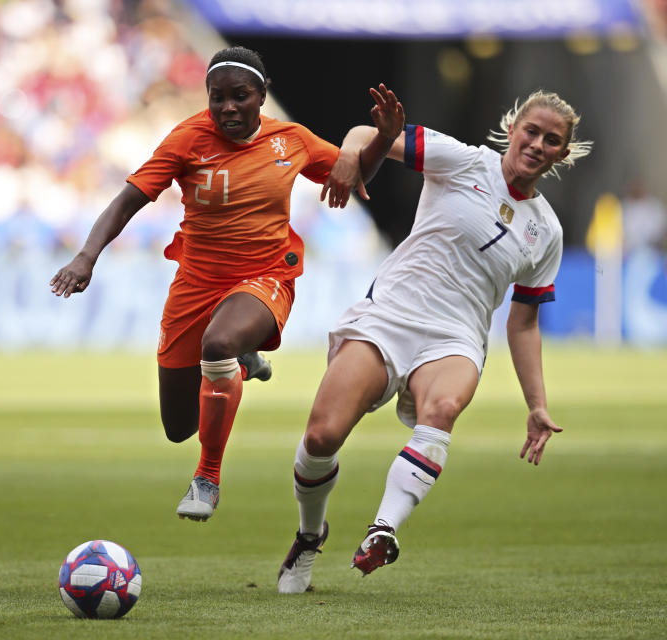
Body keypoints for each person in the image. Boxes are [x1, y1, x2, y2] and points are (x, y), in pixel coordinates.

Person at [276, 85, 592, 593]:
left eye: (552, 140)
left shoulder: (546, 231)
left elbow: (524, 321)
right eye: (531, 131)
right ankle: (310, 535)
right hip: (392, 315)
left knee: (442, 408)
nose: (538, 144)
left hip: (456, 336)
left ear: (562, 153)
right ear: (512, 129)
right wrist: (350, 158)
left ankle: (384, 528)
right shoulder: (466, 162)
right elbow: (365, 133)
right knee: (320, 437)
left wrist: (536, 404)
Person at [51, 46, 355, 522]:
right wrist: (87, 256)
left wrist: (370, 149)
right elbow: (128, 200)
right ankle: (239, 359)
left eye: (240, 96)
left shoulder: (291, 141)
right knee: (178, 426)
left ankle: (207, 477)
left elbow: (350, 172)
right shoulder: (187, 138)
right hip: (196, 284)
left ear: (262, 96)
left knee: (219, 341)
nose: (228, 107)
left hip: (266, 273)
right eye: (218, 98)